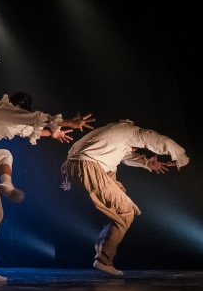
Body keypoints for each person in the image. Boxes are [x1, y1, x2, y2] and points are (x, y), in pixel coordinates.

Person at [0, 92, 95, 282]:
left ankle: (7, 184)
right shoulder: (0, 108)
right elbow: (34, 119)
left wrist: (53, 133)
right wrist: (68, 122)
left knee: (4, 155)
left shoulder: (5, 116)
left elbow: (26, 129)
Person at [60, 119, 190, 277]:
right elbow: (157, 140)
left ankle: (103, 255)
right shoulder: (131, 132)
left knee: (116, 214)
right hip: (90, 167)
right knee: (126, 212)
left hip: (82, 167)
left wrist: (148, 163)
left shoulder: (110, 132)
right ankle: (103, 260)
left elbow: (124, 156)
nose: (132, 149)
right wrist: (180, 155)